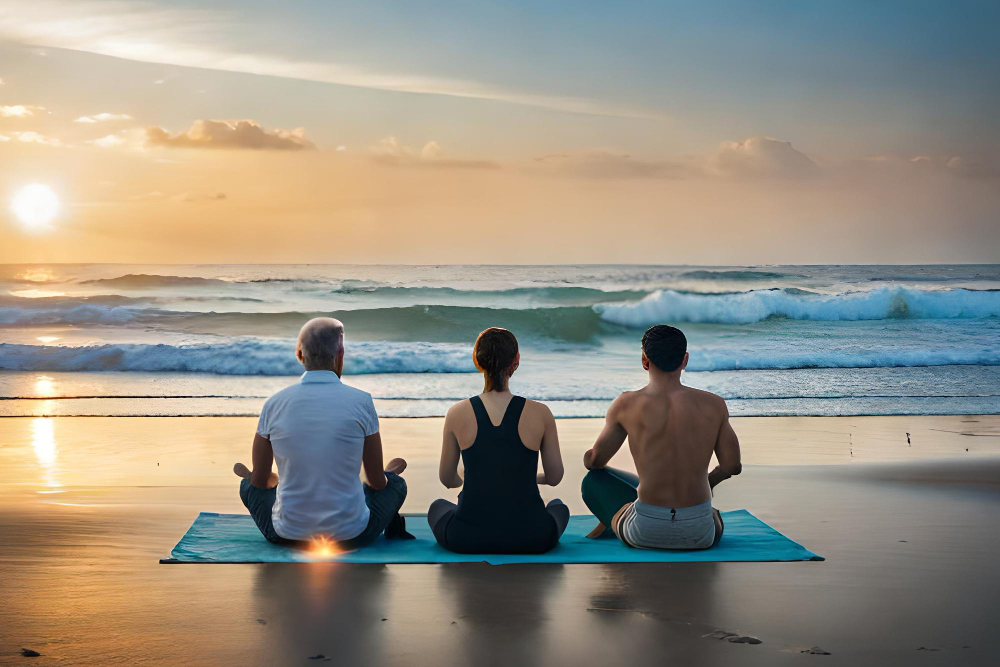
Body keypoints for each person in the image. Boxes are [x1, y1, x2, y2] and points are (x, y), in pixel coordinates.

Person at [233, 317, 412, 550]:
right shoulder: (362, 402)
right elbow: (377, 482)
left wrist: (265, 478)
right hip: (351, 535)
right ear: (341, 354)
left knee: (248, 486)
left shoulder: (273, 404)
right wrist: (390, 475)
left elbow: (259, 481)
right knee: (396, 485)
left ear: (300, 354)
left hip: (286, 534)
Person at [580, 324, 742, 549]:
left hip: (644, 532)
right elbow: (732, 466)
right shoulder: (714, 404)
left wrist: (588, 457)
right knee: (713, 517)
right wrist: (708, 481)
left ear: (644, 361)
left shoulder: (626, 404)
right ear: (685, 360)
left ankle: (615, 521)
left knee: (593, 480)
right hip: (699, 534)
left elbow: (595, 462)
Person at [428, 327, 569, 554]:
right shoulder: (541, 413)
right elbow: (554, 478)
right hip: (533, 537)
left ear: (477, 360)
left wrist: (468, 476)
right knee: (559, 508)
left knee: (437, 507)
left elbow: (447, 479)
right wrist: (519, 476)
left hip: (465, 538)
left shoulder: (457, 413)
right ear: (516, 360)